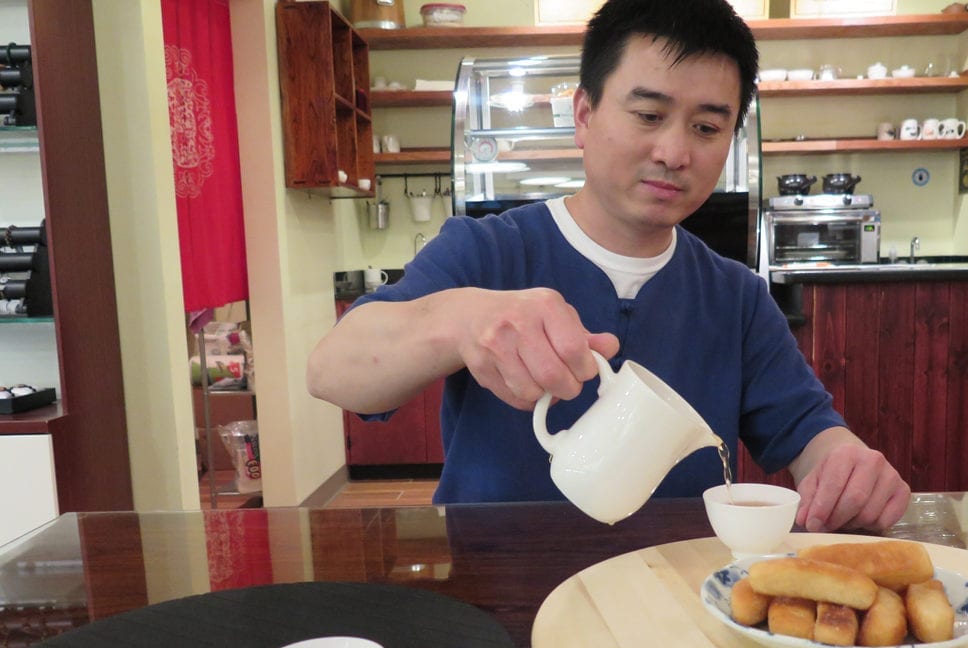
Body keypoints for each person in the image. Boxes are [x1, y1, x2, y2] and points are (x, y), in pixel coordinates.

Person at [308, 0, 909, 532]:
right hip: (497, 594)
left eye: (706, 127)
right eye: (648, 115)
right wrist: (461, 321)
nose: (674, 152)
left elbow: (809, 433)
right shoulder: (487, 251)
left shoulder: (736, 297)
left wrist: (848, 467)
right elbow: (334, 370)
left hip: (674, 597)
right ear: (585, 115)